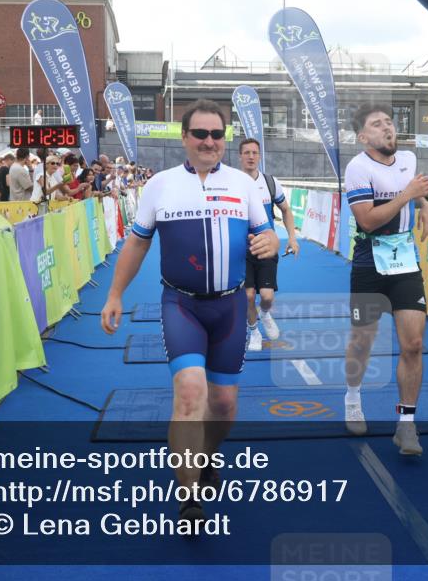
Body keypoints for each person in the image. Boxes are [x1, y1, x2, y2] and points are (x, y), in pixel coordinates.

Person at [100, 99, 278, 525]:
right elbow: (138, 243)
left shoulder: (244, 183)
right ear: (184, 138)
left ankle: (209, 454)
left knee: (223, 405)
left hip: (232, 307)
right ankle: (188, 495)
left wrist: (271, 242)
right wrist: (114, 295)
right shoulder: (160, 185)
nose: (209, 141)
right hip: (181, 305)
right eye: (200, 134)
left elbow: (267, 232)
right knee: (190, 393)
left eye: (217, 134)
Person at [343, 103, 428, 456]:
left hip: (405, 261)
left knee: (412, 344)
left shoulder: (408, 158)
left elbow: (412, 186)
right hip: (368, 264)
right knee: (363, 341)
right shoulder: (357, 168)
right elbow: (367, 220)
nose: (387, 128)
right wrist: (408, 196)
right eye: (377, 125)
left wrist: (424, 203)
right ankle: (352, 398)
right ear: (364, 137)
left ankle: (406, 425)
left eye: (389, 122)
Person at [237, 138, 300, 351]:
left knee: (266, 296)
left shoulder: (270, 182)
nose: (251, 156)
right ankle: (253, 331)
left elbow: (286, 210)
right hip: (241, 250)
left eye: (255, 153)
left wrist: (292, 237)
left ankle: (264, 313)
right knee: (247, 295)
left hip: (267, 247)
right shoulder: (232, 184)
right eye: (247, 153)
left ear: (260, 156)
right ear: (240, 156)